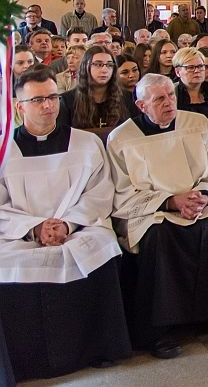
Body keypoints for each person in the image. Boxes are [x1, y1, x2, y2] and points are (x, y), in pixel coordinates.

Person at [0, 67, 131, 381]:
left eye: (53, 97)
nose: (48, 105)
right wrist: (35, 228)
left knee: (101, 248)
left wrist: (68, 225)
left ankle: (98, 349)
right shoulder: (4, 150)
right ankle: (24, 361)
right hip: (20, 234)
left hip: (78, 227)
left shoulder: (86, 143)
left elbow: (100, 192)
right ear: (19, 106)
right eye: (38, 100)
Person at [107, 74, 208, 357]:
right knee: (159, 235)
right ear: (141, 105)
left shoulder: (196, 123)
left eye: (171, 95)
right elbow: (122, 192)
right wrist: (171, 202)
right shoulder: (121, 138)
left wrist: (204, 195)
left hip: (198, 202)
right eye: (159, 99)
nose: (169, 103)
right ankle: (160, 332)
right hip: (153, 211)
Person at [60, 45, 131, 129]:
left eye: (109, 65)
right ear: (86, 66)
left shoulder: (127, 97)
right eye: (98, 64)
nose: (104, 70)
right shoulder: (67, 100)